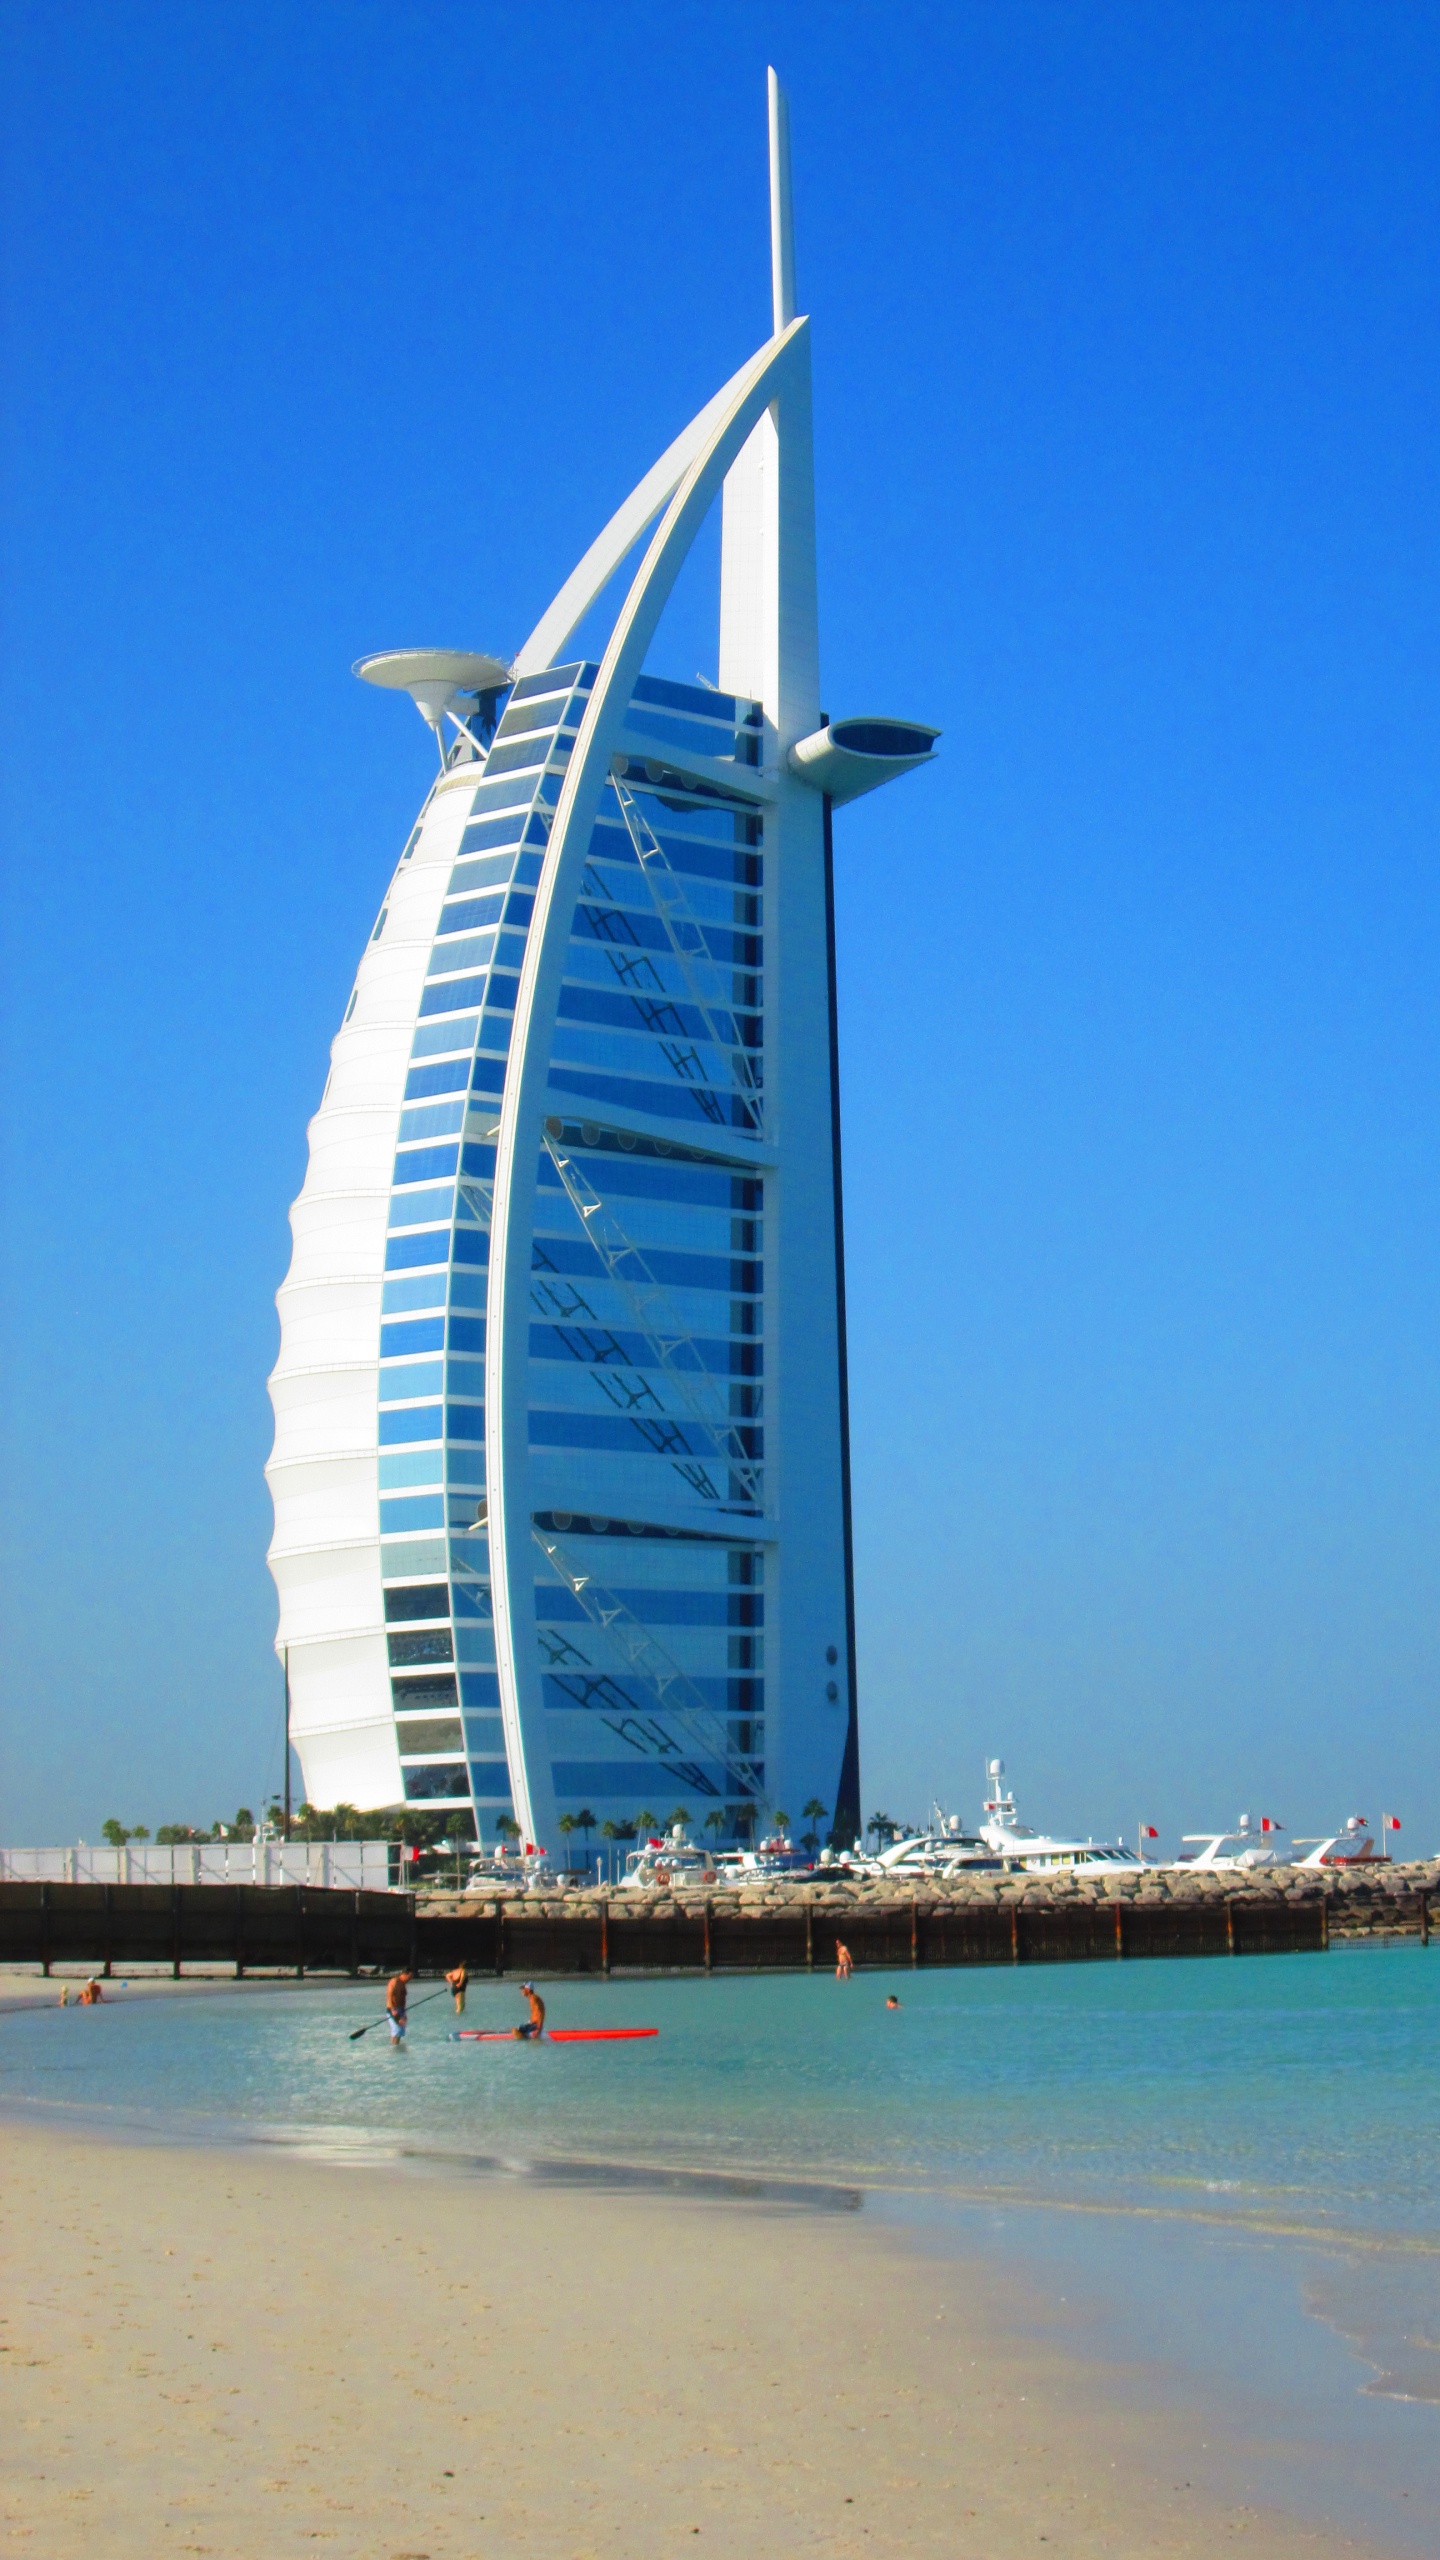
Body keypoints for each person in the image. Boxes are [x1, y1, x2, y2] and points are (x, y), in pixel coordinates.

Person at [385, 1969, 413, 2044]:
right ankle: (393, 2048)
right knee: (396, 2030)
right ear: (404, 1974)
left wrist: (404, 2014)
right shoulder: (394, 1981)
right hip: (392, 2009)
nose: (410, 1979)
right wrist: (393, 2009)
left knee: (400, 2031)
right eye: (409, 1977)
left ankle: (397, 2050)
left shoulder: (403, 1984)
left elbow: (403, 2000)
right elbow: (389, 1996)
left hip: (401, 2010)